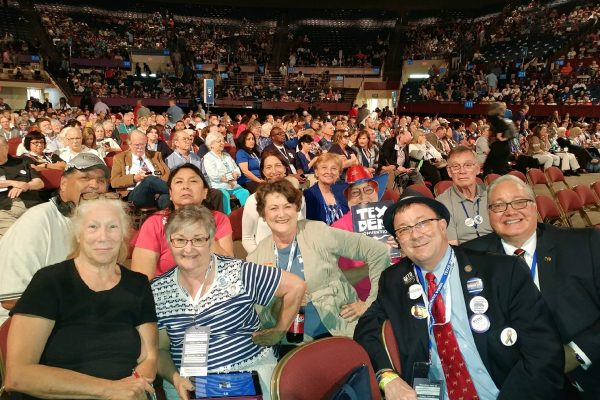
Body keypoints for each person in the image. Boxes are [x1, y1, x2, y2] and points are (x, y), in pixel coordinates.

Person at [354, 194, 564, 400]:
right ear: (398, 240)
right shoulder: (394, 280)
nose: (416, 235)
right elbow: (367, 327)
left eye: (423, 223)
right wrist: (387, 377)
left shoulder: (500, 271)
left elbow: (543, 352)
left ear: (443, 225)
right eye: (404, 230)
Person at [5, 197, 158, 400]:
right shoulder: (50, 281)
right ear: (78, 234)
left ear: (124, 234)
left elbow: (150, 357)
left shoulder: (138, 284)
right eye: (93, 227)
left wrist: (135, 387)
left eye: (112, 227)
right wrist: (110, 389)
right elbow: (18, 375)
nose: (103, 237)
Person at [462, 174, 600, 399]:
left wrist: (578, 352)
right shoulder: (469, 257)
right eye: (498, 206)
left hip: (587, 373)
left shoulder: (586, 244)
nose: (510, 211)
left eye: (519, 202)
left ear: (535, 206)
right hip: (514, 383)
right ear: (488, 214)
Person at [152, 205, 306, 400]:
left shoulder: (238, 271)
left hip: (248, 372)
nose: (188, 248)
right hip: (188, 383)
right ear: (169, 242)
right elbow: (160, 349)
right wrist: (175, 378)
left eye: (198, 239)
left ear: (211, 240)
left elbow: (296, 286)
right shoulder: (158, 290)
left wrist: (279, 331)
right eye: (180, 240)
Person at [247, 180, 390, 349]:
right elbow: (261, 314)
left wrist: (370, 304)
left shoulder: (317, 232)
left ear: (296, 208)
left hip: (340, 330)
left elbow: (379, 252)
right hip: (292, 342)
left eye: (287, 206)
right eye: (273, 208)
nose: (281, 214)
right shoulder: (255, 259)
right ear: (263, 214)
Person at [0, 153, 109, 323]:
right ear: (64, 184)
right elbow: (11, 299)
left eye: (101, 180)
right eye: (85, 177)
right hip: (23, 323)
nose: (95, 185)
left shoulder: (99, 228)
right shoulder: (37, 221)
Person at [132, 163, 233, 280]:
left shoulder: (218, 219)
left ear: (205, 192)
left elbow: (228, 266)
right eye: (179, 182)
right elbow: (142, 279)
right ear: (170, 193)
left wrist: (201, 228)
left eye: (193, 181)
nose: (185, 186)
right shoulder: (154, 223)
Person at [331, 165, 390, 300]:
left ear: (376, 192)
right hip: (362, 300)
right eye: (356, 192)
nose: (363, 197)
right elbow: (335, 280)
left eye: (368, 190)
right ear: (348, 198)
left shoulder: (393, 218)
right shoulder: (337, 230)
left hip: (397, 292)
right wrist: (373, 264)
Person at [242, 151, 306, 254]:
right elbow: (247, 238)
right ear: (263, 172)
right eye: (268, 167)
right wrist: (261, 260)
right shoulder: (254, 200)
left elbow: (302, 230)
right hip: (266, 259)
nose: (274, 171)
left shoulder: (299, 197)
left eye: (278, 166)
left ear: (285, 168)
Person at [436, 146, 493, 245]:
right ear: (449, 172)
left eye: (468, 165)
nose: (462, 171)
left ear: (478, 169)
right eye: (455, 167)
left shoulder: (492, 195)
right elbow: (453, 247)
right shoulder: (442, 203)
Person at [110, 130, 170, 209]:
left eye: (143, 144)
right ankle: (174, 190)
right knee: (149, 179)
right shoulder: (120, 158)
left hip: (157, 194)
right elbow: (114, 182)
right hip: (134, 195)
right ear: (129, 144)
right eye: (137, 145)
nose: (140, 147)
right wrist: (134, 178)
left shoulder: (155, 155)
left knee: (165, 197)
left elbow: (167, 174)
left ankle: (162, 219)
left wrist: (158, 190)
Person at [0, 137, 44, 238]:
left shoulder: (22, 162)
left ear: (6, 147)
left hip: (31, 205)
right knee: (13, 238)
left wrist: (26, 185)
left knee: (43, 235)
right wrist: (12, 183)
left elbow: (39, 183)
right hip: (4, 209)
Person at [203, 132, 250, 215]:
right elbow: (213, 175)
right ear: (211, 145)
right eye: (219, 141)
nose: (222, 143)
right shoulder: (208, 157)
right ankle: (228, 217)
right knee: (224, 195)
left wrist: (236, 173)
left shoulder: (226, 155)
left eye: (222, 141)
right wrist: (225, 178)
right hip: (218, 186)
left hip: (232, 185)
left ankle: (244, 216)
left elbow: (236, 168)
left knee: (244, 192)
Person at [303, 152, 348, 225]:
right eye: (324, 168)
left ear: (339, 173)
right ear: (316, 172)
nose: (329, 172)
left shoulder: (344, 191)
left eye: (334, 168)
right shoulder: (308, 195)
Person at [235, 129, 264, 193]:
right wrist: (259, 181)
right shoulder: (241, 152)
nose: (252, 141)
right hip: (248, 181)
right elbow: (245, 171)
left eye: (253, 139)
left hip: (259, 179)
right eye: (248, 139)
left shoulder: (254, 152)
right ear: (243, 141)